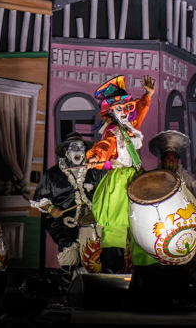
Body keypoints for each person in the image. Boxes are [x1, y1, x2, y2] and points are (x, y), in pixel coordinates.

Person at [86, 74, 157, 272]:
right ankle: (111, 271)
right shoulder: (113, 131)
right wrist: (96, 156)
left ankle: (146, 274)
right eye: (119, 108)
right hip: (119, 182)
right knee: (116, 224)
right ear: (110, 111)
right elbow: (105, 145)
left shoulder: (130, 127)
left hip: (136, 178)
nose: (124, 111)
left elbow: (140, 113)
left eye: (126, 107)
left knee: (142, 226)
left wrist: (147, 96)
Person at [31, 133, 107, 271]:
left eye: (81, 147)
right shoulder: (52, 174)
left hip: (93, 218)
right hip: (64, 220)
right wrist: (51, 209)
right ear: (66, 151)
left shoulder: (95, 170)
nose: (78, 151)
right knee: (70, 252)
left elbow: (106, 191)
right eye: (73, 147)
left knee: (99, 251)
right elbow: (40, 199)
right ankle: (70, 279)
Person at [148, 130, 196, 200]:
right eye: (167, 158)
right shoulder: (153, 178)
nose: (171, 161)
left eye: (175, 158)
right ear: (162, 159)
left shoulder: (187, 179)